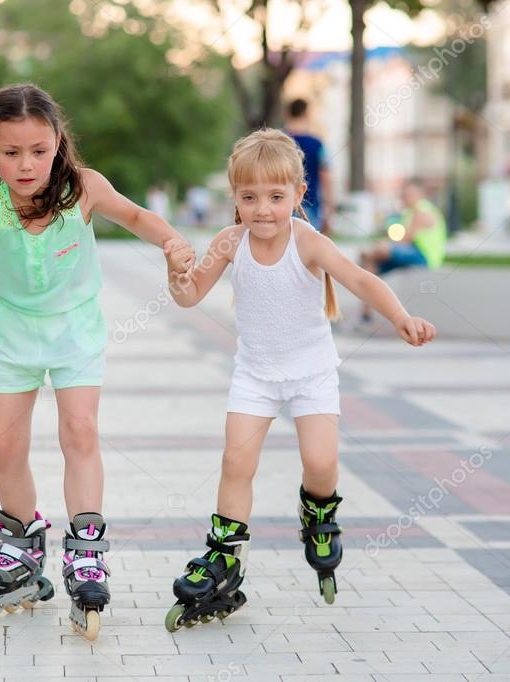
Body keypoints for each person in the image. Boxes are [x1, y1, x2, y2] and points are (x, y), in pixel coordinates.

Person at [0, 84, 193, 640]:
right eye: (10, 152)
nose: (25, 165)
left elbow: (140, 216)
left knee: (80, 431)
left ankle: (86, 553)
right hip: (11, 335)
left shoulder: (84, 190)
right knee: (6, 443)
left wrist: (171, 242)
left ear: (58, 144)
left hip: (75, 329)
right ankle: (21, 546)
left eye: (38, 151)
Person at [160, 129, 435, 631]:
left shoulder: (309, 242)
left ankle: (318, 516)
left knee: (321, 461)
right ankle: (223, 557)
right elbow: (190, 294)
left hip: (311, 375)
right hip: (255, 375)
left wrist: (400, 317)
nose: (262, 209)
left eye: (274, 197)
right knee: (235, 461)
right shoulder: (230, 241)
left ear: (297, 195)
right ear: (235, 199)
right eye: (248, 198)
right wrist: (176, 278)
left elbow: (361, 280)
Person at [358, 178, 447, 322]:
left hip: (423, 255)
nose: (405, 197)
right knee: (369, 265)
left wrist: (382, 246)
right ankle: (365, 314)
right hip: (411, 252)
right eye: (404, 194)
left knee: (377, 253)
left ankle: (369, 259)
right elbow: (398, 236)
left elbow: (406, 238)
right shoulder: (410, 212)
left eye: (408, 194)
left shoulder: (422, 211)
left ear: (420, 195)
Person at [284, 98, 333, 235]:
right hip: (310, 206)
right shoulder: (317, 144)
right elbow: (326, 178)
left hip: (280, 203)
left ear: (287, 114)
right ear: (306, 114)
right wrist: (328, 211)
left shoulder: (278, 141)